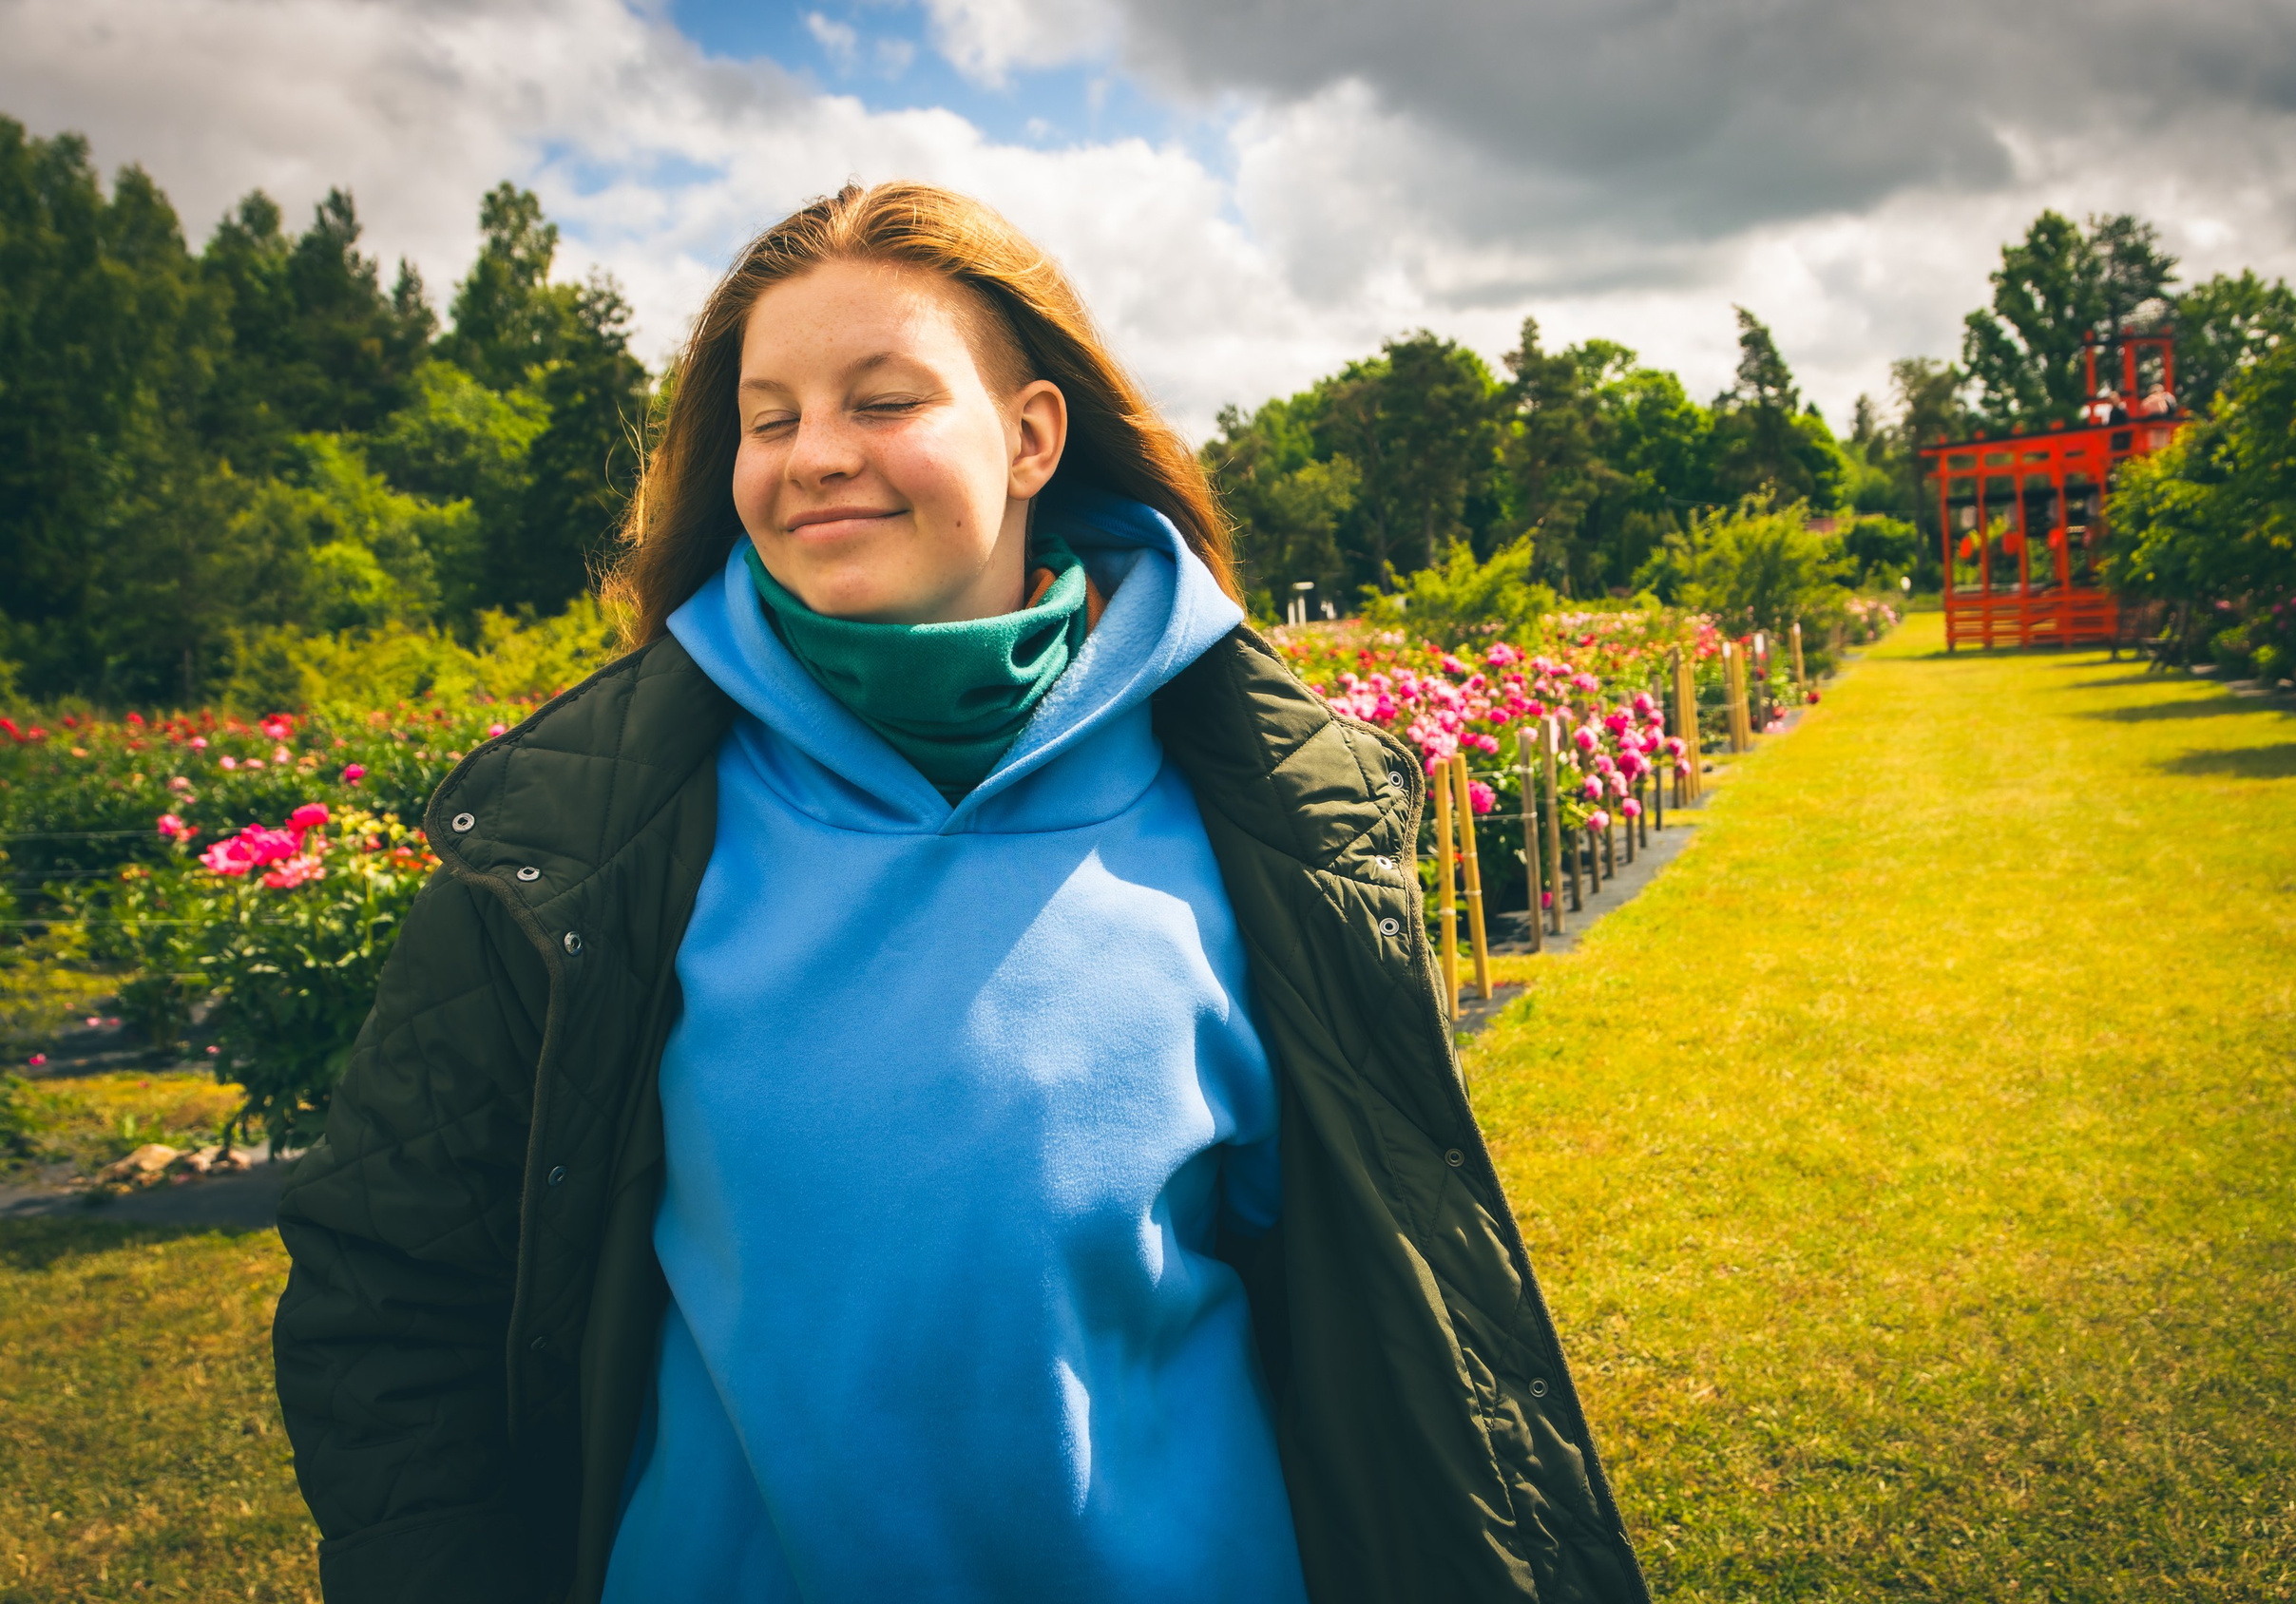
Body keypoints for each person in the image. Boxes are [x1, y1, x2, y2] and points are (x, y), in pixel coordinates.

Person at [271, 181, 1650, 1604]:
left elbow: (1390, 1309)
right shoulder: (579, 836)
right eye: (770, 416)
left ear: (1033, 435)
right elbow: (392, 1290)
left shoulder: (1273, 822)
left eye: (882, 401)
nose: (814, 456)